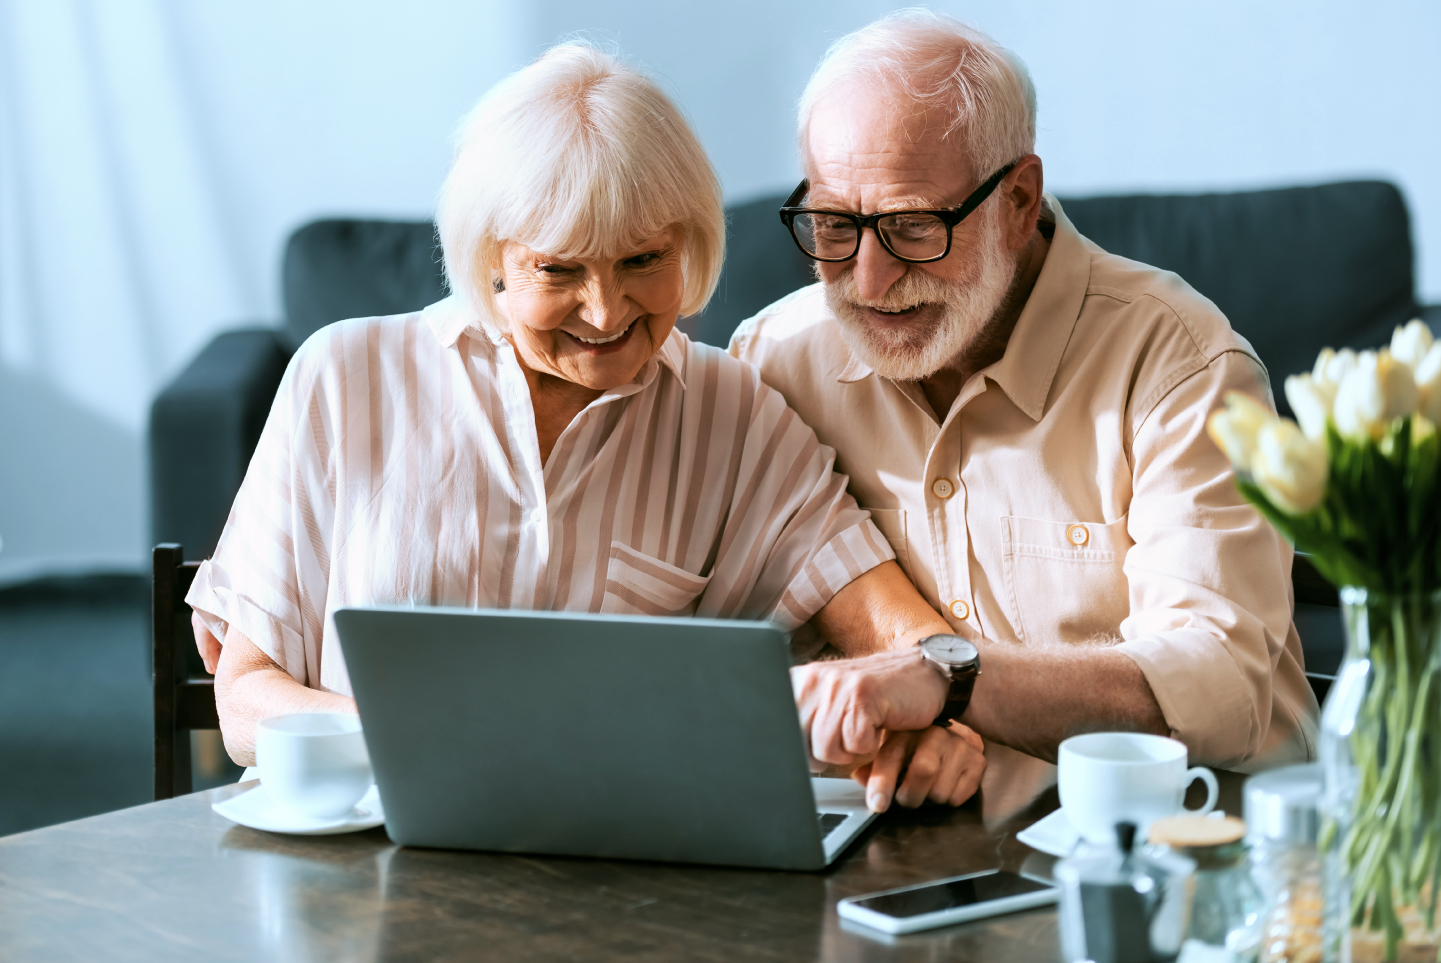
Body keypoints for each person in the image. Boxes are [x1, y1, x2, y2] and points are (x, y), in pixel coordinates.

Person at [186, 43, 984, 813]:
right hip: (360, 865)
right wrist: (440, 743)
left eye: (642, 261)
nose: (605, 314)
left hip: (612, 883)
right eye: (558, 269)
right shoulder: (343, 376)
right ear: (491, 259)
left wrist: (929, 716)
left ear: (691, 246)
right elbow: (246, 701)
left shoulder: (732, 411)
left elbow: (899, 628)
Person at [736, 11, 1318, 773]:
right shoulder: (774, 360)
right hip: (921, 848)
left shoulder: (1179, 362)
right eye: (833, 224)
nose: (869, 281)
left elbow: (1218, 681)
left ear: (1016, 200)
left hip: (1192, 834)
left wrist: (945, 679)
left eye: (912, 227)